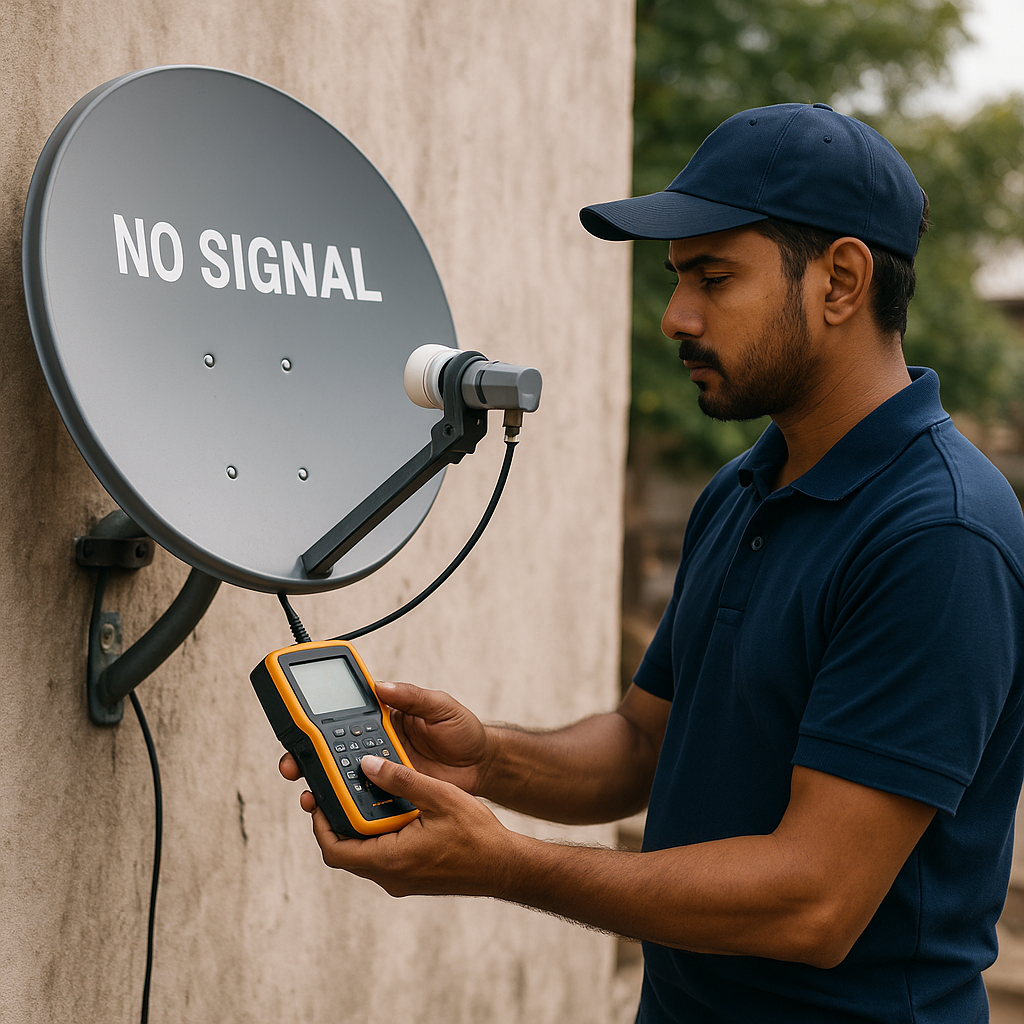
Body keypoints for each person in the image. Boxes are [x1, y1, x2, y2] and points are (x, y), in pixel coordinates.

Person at [279, 103, 1024, 1023]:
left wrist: (501, 866)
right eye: (677, 279)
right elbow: (642, 745)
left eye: (713, 277)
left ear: (841, 281)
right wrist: (484, 761)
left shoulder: (938, 536)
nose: (676, 316)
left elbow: (815, 900)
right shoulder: (745, 488)